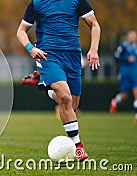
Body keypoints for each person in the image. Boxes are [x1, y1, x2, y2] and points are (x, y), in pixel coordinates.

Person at [16, 0, 101, 162]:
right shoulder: (36, 3)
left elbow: (95, 25)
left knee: (71, 106)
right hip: (48, 55)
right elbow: (21, 31)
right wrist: (30, 48)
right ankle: (78, 148)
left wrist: (93, 49)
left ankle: (45, 85)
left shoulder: (77, 1)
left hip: (73, 56)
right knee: (64, 97)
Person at [110, 29, 137, 123]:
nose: (133, 37)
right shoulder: (123, 46)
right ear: (127, 36)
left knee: (136, 93)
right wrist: (126, 59)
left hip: (135, 74)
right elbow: (116, 57)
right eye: (131, 35)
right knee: (124, 95)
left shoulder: (136, 47)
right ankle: (115, 101)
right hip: (125, 73)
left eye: (134, 35)